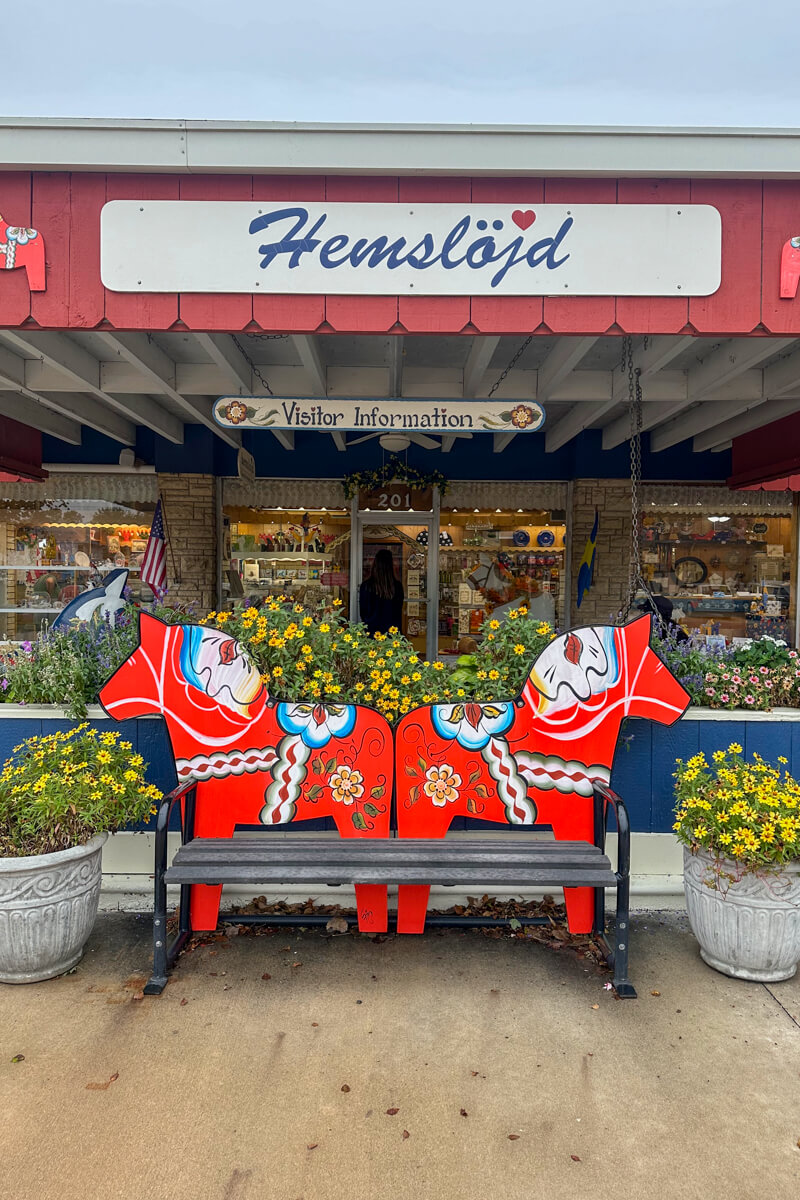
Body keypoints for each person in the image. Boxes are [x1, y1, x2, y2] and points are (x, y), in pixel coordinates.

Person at [359, 548, 404, 636]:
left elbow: (363, 612)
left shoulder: (366, 586)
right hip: (392, 632)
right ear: (390, 565)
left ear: (375, 564)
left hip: (371, 632)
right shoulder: (397, 586)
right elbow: (398, 609)